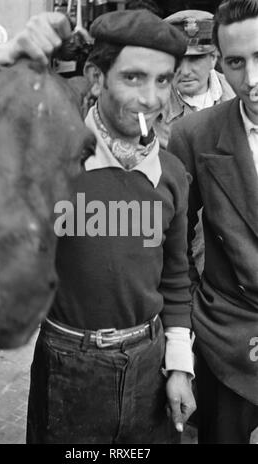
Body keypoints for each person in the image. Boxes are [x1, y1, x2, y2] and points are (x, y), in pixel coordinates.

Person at [0, 9, 196, 444]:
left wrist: (180, 367)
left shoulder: (169, 174)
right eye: (133, 78)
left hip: (150, 362)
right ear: (95, 78)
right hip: (68, 363)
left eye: (163, 80)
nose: (150, 98)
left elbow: (175, 277)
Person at [168, 0, 258, 444]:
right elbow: (172, 247)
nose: (253, 80)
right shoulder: (194, 133)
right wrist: (181, 350)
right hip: (227, 336)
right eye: (238, 63)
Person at [155, 9, 235, 150]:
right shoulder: (152, 104)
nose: (185, 71)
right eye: (178, 59)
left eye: (195, 59)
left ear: (213, 57)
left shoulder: (239, 92)